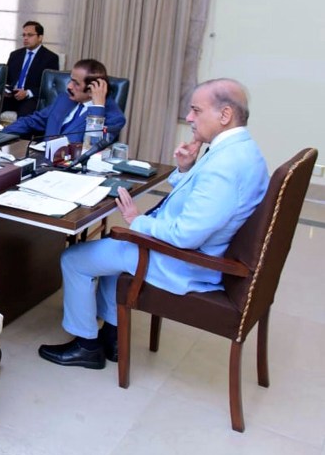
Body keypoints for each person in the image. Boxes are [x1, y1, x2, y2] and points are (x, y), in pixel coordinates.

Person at [38, 78, 269, 370]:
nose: (189, 118)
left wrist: (138, 222)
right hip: (201, 251)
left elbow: (186, 236)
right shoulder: (244, 151)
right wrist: (185, 170)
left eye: (196, 110)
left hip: (184, 260)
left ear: (224, 115)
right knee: (113, 248)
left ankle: (86, 345)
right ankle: (113, 337)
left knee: (74, 258)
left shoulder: (226, 166)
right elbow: (206, 204)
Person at [4, 59, 125, 143]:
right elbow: (32, 121)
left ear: (91, 89)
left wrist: (98, 108)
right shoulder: (64, 99)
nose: (69, 86)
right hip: (44, 161)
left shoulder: (114, 117)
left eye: (76, 83)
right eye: (71, 80)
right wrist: (0, 136)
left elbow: (92, 146)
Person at [3, 21, 60, 117]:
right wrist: (6, 90)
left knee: (25, 117)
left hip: (31, 98)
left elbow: (50, 87)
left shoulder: (50, 58)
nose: (25, 38)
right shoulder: (15, 55)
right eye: (24, 35)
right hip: (12, 96)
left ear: (40, 37)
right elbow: (7, 79)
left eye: (30, 35)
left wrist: (28, 93)